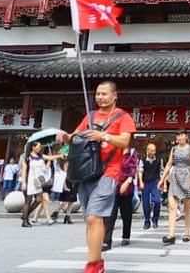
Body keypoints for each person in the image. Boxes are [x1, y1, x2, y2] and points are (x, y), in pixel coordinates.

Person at [55, 81, 136, 273]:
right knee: (90, 218)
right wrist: (65, 137)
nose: (100, 97)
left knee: (93, 216)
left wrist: (104, 136)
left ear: (115, 95)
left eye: (104, 94)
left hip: (109, 172)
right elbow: (76, 136)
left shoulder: (123, 117)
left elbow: (125, 140)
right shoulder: (90, 116)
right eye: (98, 94)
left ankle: (92, 264)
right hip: (86, 172)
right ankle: (97, 261)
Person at [159, 129, 190, 244]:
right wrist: (162, 179)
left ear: (186, 136)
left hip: (188, 177)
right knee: (172, 206)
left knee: (187, 208)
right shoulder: (174, 149)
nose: (180, 137)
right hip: (175, 177)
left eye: (182, 135)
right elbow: (169, 164)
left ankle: (187, 233)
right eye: (178, 135)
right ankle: (171, 234)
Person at [103, 146, 138, 250]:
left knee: (126, 214)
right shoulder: (113, 151)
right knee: (110, 215)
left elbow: (133, 169)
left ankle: (126, 236)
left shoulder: (132, 152)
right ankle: (107, 241)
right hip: (112, 187)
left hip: (127, 188)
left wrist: (127, 182)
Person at [21, 141, 59, 227]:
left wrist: (60, 155)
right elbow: (24, 171)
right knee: (28, 200)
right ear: (33, 147)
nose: (39, 148)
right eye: (38, 146)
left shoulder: (41, 156)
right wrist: (24, 183)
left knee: (38, 199)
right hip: (30, 180)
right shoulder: (27, 158)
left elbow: (51, 157)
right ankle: (25, 221)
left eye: (40, 146)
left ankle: (25, 215)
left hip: (38, 180)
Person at [138, 143, 163, 230]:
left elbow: (162, 171)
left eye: (154, 150)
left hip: (156, 182)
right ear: (147, 151)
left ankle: (155, 219)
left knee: (157, 201)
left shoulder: (159, 160)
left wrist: (162, 181)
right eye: (151, 150)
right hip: (146, 182)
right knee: (145, 203)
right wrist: (141, 182)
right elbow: (140, 171)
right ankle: (147, 221)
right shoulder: (142, 160)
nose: (153, 152)